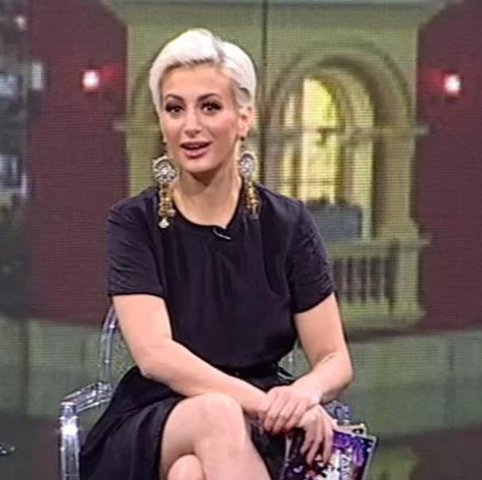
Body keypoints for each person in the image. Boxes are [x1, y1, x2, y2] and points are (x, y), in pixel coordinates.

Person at [80, 28, 353, 480]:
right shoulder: (134, 222)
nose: (190, 126)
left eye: (209, 107)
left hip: (262, 425)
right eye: (174, 109)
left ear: (244, 118)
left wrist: (303, 395)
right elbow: (156, 355)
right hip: (156, 417)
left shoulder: (287, 224)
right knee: (216, 413)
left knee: (190, 473)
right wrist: (269, 406)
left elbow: (334, 359)